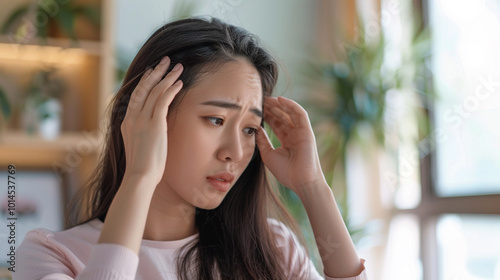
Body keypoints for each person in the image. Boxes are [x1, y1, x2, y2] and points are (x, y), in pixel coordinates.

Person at [14, 17, 367, 280]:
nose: (235, 152)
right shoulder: (52, 254)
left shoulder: (272, 250)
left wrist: (312, 185)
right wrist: (139, 176)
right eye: (215, 120)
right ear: (148, 115)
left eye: (248, 129)